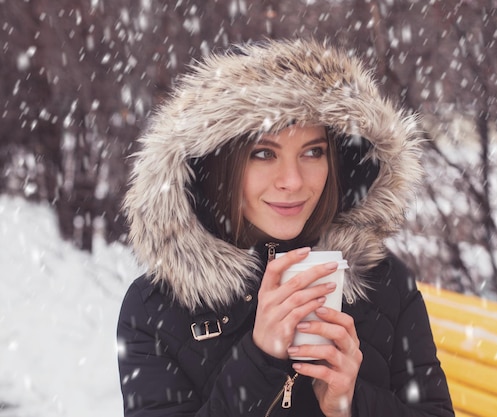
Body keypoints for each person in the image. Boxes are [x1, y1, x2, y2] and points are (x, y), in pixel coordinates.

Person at [117, 38, 455, 417]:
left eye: (313, 152)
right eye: (264, 154)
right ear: (217, 167)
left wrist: (352, 405)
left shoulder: (384, 283)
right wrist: (259, 361)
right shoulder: (157, 308)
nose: (293, 181)